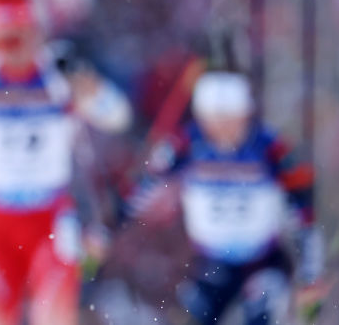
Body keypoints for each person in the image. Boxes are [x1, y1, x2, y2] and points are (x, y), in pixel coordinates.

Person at [0, 0, 131, 325]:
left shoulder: (57, 72)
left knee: (54, 316)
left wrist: (89, 85)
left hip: (51, 218)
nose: (14, 49)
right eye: (5, 39)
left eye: (21, 37)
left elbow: (117, 117)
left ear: (37, 32)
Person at [128, 70, 325, 324]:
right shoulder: (187, 142)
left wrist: (311, 273)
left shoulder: (269, 146)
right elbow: (141, 185)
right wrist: (108, 226)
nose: (220, 129)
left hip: (262, 260)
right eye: (212, 120)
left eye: (229, 119)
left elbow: (303, 210)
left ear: (245, 114)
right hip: (210, 259)